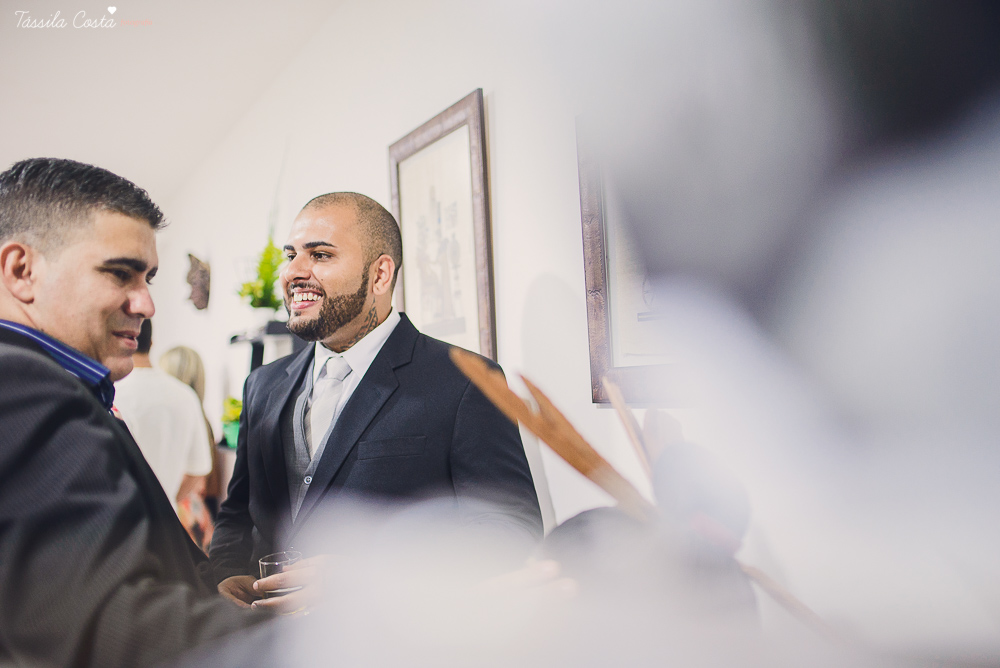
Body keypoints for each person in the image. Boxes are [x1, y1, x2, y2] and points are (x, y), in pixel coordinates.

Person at [210, 192, 543, 608]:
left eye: (320, 255)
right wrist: (222, 582)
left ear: (380, 275)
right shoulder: (262, 384)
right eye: (291, 254)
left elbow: (510, 531)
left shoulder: (465, 381)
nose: (293, 271)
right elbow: (237, 515)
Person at [0, 157, 269, 667]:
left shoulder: (61, 382)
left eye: (147, 277)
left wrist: (214, 587)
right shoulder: (21, 383)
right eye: (121, 274)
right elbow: (105, 625)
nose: (146, 305)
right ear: (22, 270)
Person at [114, 319, 213, 512]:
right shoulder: (185, 395)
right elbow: (198, 470)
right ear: (151, 343)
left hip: (121, 523)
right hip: (165, 523)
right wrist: (166, 500)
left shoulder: (112, 392)